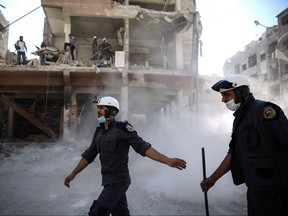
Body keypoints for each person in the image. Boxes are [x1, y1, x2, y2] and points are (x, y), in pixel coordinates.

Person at [64, 96, 187, 216]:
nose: (98, 111)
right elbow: (89, 155)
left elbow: (142, 147)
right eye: (98, 108)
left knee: (97, 212)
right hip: (108, 181)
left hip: (118, 182)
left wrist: (167, 160)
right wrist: (73, 173)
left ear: (110, 111)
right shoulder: (98, 133)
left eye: (101, 108)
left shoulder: (122, 129)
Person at [200, 75, 288, 216]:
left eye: (226, 95)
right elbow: (233, 153)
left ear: (241, 92)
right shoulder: (240, 119)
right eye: (222, 95)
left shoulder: (265, 111)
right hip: (255, 188)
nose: (223, 100)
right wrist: (212, 179)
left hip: (276, 190)